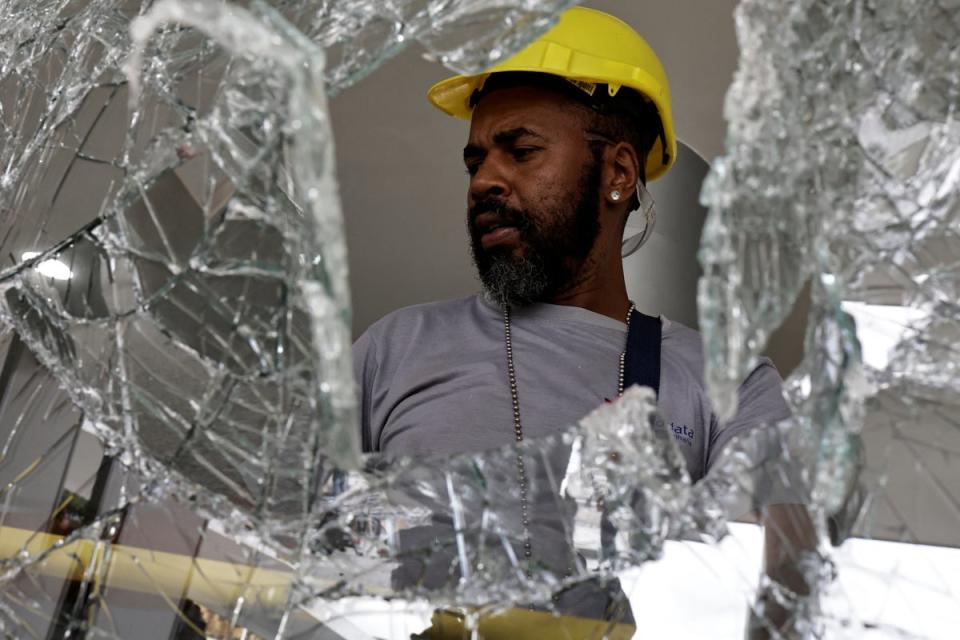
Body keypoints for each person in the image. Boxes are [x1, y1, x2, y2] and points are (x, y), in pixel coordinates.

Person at [353, 6, 814, 638]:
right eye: (476, 160)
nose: (485, 179)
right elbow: (280, 553)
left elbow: (783, 590)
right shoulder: (395, 349)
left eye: (521, 150)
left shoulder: (727, 387)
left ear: (618, 173)